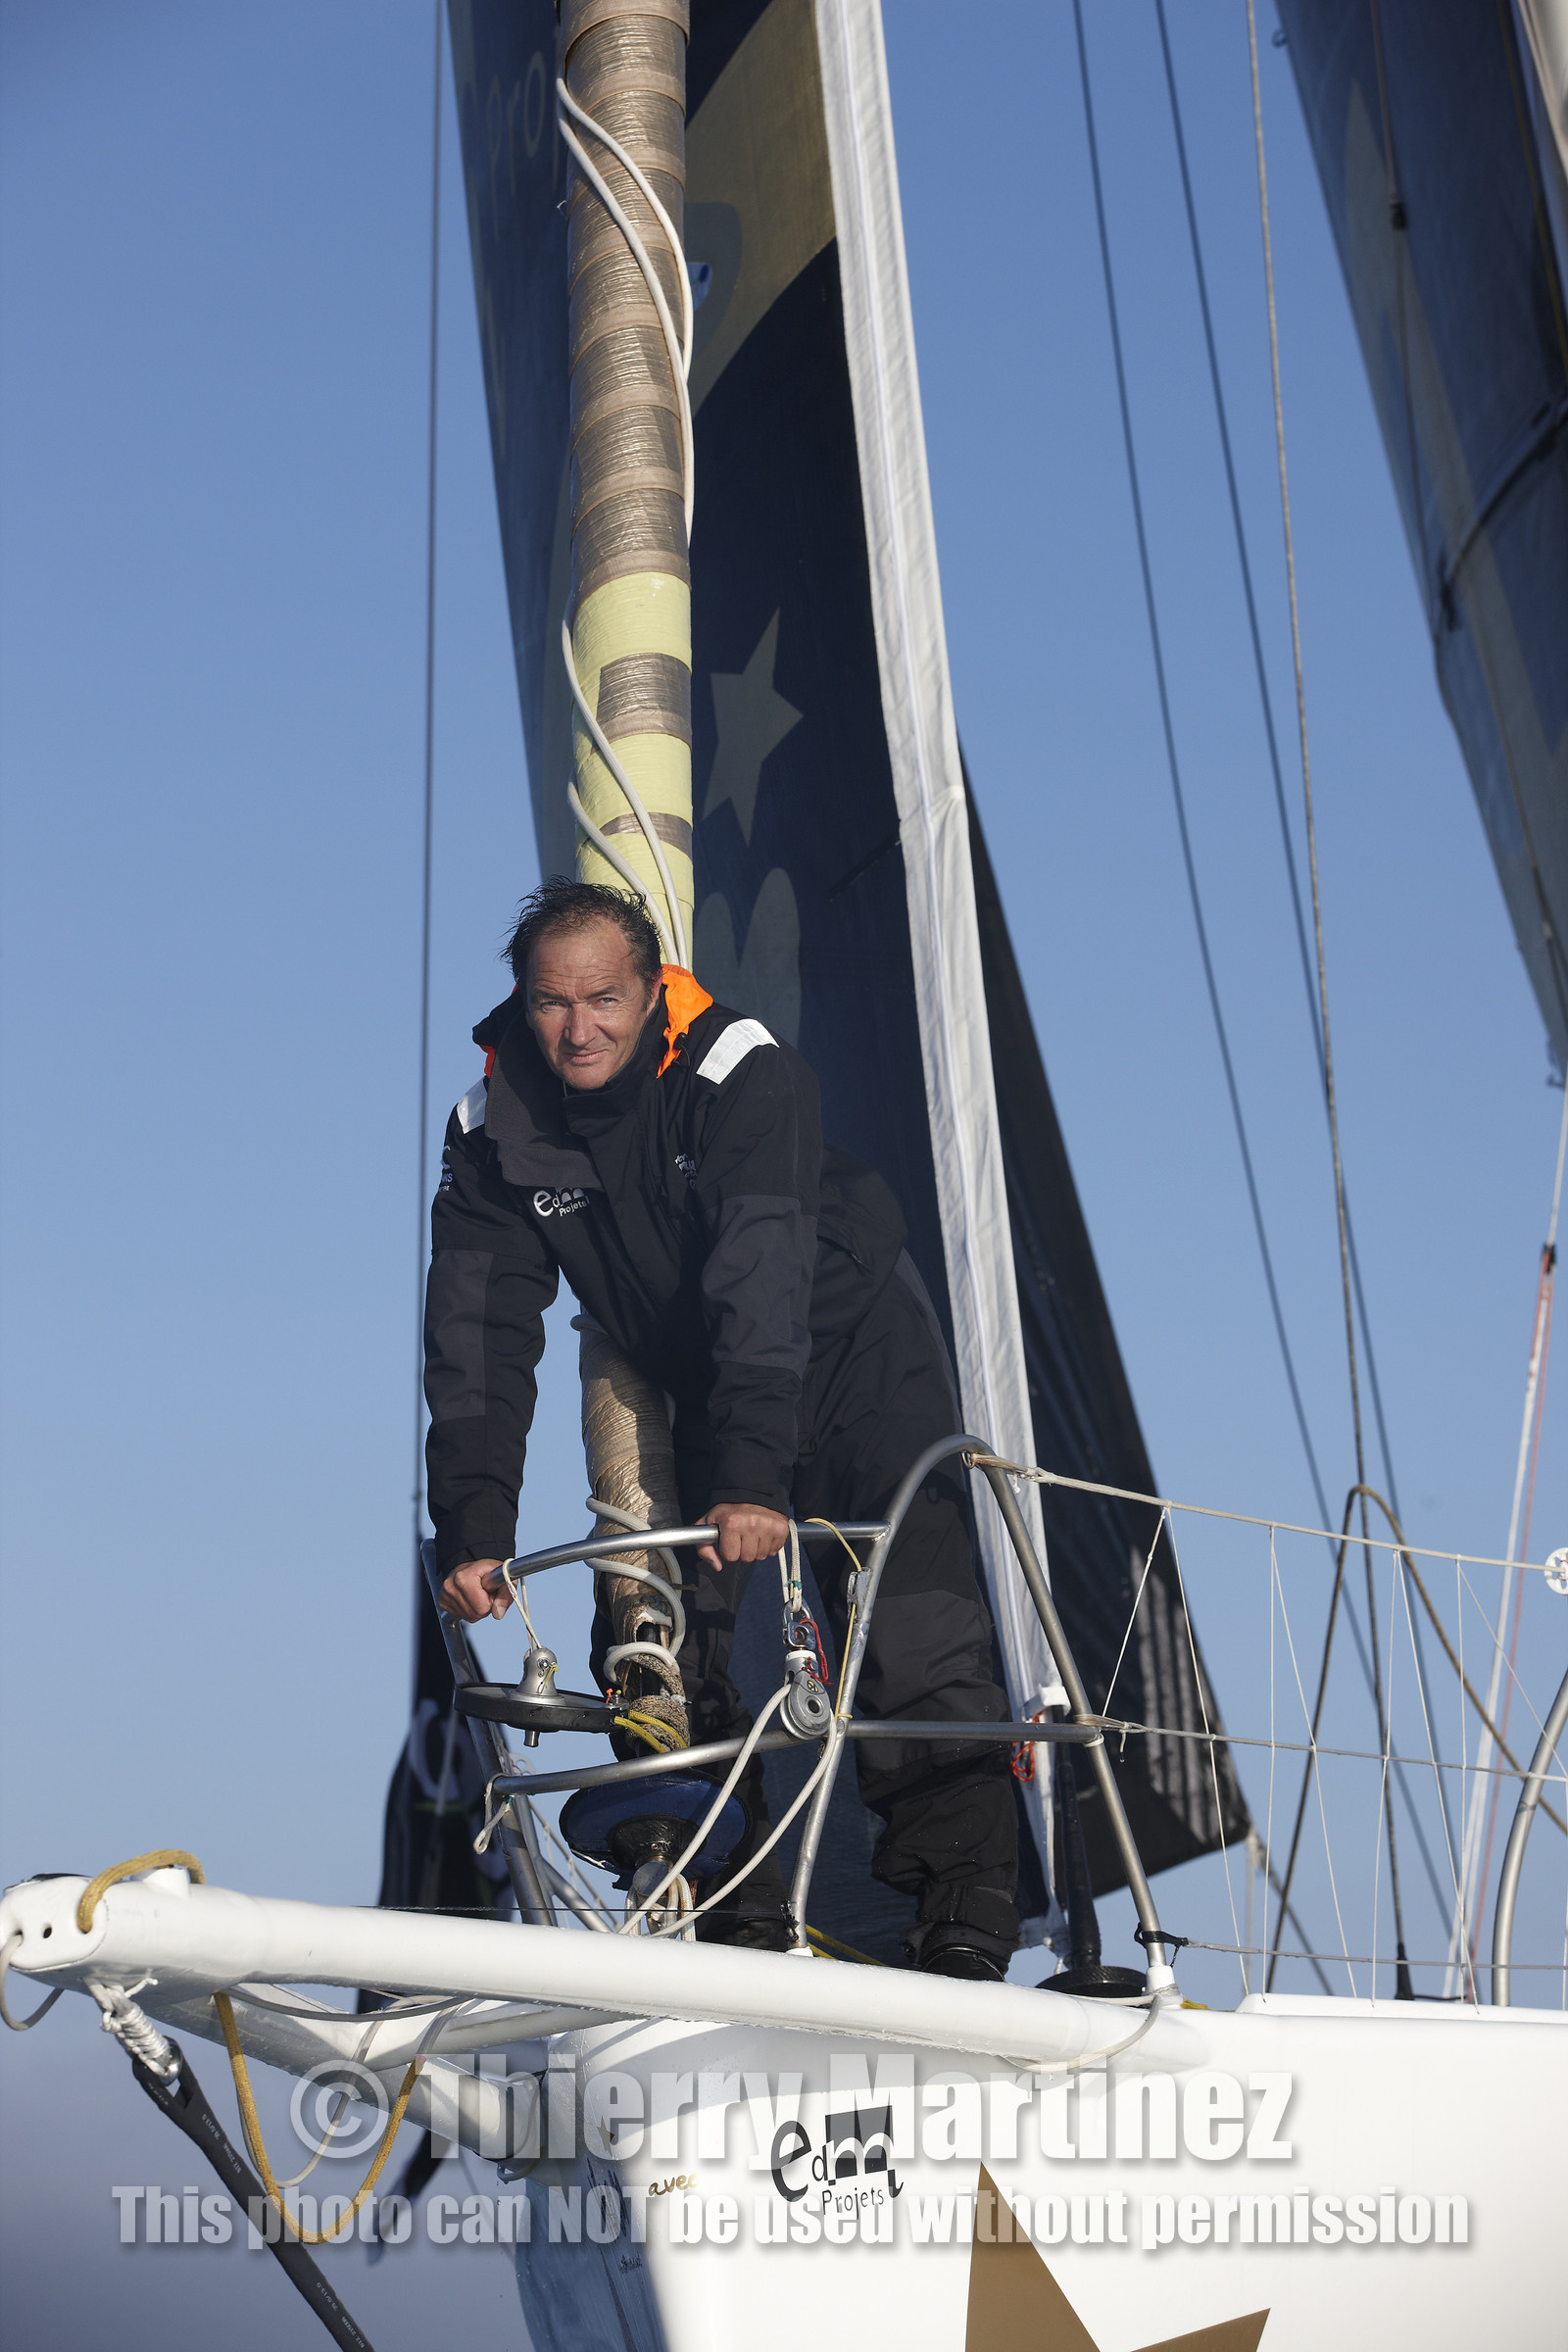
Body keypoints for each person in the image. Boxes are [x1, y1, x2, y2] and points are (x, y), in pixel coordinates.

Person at [425, 877, 1019, 1978]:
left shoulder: (739, 1070)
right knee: (676, 1651)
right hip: (698, 1382)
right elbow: (477, 1338)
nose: (579, 1027)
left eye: (604, 998)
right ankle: (730, 1924)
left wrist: (753, 1475)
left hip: (850, 1355)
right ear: (521, 1000)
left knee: (914, 1633)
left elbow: (760, 1280)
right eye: (553, 1003)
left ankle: (965, 1920)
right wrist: (472, 1523)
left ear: (652, 990)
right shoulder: (490, 1128)